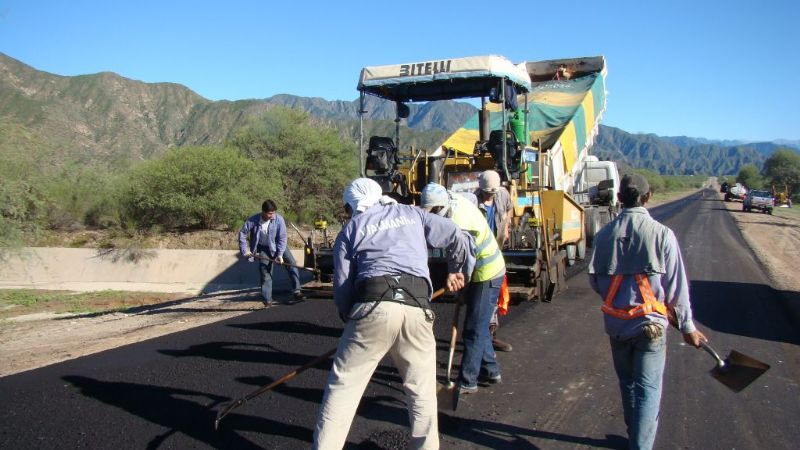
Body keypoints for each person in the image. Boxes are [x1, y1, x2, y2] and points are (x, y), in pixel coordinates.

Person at [313, 178, 474, 450]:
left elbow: (342, 288)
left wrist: (350, 320)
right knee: (421, 393)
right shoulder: (412, 214)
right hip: (417, 308)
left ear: (353, 205)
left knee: (342, 391)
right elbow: (457, 234)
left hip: (372, 305)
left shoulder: (351, 229)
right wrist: (458, 269)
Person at [588, 173, 707, 450]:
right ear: (648, 196)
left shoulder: (604, 235)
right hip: (650, 327)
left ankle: (634, 436)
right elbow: (677, 289)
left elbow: (595, 281)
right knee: (648, 391)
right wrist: (687, 327)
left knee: (628, 385)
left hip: (616, 326)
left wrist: (618, 300)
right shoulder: (662, 235)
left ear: (619, 198)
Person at [421, 182, 506, 395]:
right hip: (479, 269)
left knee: (473, 328)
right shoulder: (453, 201)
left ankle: (468, 381)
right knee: (479, 323)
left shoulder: (459, 221)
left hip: (487, 272)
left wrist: (458, 278)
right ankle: (491, 370)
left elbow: (464, 257)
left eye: (433, 211)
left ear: (441, 206)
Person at [474, 170, 514, 352]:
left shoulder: (502, 194)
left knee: (496, 293)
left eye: (493, 192)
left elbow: (509, 208)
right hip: (480, 254)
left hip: (496, 250)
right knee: (483, 295)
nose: (491, 195)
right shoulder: (474, 202)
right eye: (488, 192)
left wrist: (506, 226)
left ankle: (490, 334)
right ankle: (482, 335)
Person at [238, 200, 305, 307]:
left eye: (273, 213)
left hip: (278, 245)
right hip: (264, 248)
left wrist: (280, 254)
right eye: (269, 213)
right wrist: (244, 249)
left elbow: (282, 238)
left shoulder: (279, 219)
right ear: (263, 212)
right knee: (265, 271)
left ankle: (297, 291)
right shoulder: (253, 220)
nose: (272, 215)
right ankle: (267, 301)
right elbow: (242, 233)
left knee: (291, 263)